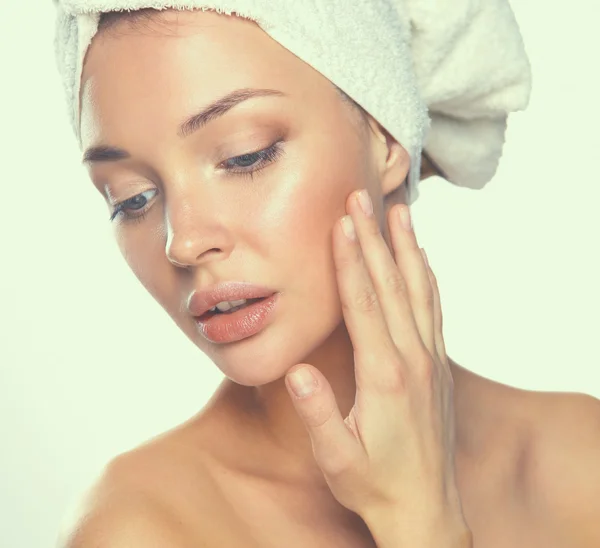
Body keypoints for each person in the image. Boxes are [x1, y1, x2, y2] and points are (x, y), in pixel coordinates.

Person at [54, 6, 600, 548]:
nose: (184, 241)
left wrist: (418, 513)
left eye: (246, 156)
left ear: (386, 135)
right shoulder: (139, 528)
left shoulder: (581, 461)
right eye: (132, 198)